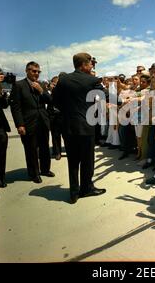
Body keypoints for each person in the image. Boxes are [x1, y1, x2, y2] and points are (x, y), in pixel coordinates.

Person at [53, 53, 107, 204]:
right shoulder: (92, 80)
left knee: (73, 161)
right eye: (90, 64)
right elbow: (105, 96)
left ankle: (74, 193)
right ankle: (87, 188)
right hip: (86, 127)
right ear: (83, 65)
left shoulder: (63, 79)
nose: (92, 66)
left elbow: (55, 101)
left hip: (68, 127)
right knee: (87, 160)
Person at [10, 62, 54, 183]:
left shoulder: (41, 85)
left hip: (43, 122)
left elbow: (50, 101)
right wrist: (20, 124)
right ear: (27, 71)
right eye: (33, 71)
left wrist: (41, 91)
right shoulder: (19, 85)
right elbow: (16, 107)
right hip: (28, 123)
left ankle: (45, 169)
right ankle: (33, 173)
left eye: (38, 71)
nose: (36, 73)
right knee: (31, 149)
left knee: (45, 147)